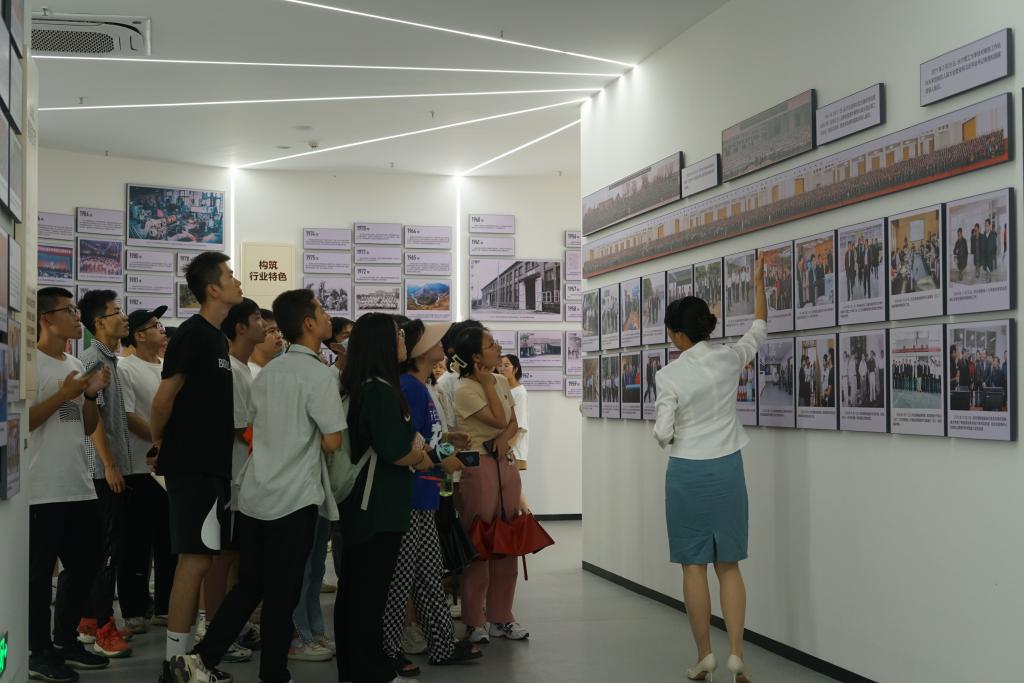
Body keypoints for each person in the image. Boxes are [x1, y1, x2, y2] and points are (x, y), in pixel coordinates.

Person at [172, 289, 345, 683]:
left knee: (250, 585)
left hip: (255, 494)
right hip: (294, 498)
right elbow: (333, 440)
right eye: (322, 311)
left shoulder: (268, 373)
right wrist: (306, 440)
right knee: (283, 593)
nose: (327, 316)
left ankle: (200, 659)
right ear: (308, 323)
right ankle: (272, 674)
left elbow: (252, 429)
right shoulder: (318, 374)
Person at [652, 255, 767, 683]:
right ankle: (737, 654)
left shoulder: (669, 375)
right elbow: (758, 329)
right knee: (729, 565)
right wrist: (758, 284)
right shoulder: (729, 359)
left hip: (687, 474)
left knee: (693, 566)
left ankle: (705, 656)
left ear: (679, 334)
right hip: (728, 470)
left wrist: (668, 434)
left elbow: (663, 432)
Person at [152, 252, 242, 683]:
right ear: (212, 288)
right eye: (230, 275)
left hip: (212, 467)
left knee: (203, 560)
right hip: (192, 466)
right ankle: (176, 663)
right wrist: (160, 441)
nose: (237, 281)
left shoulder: (216, 339)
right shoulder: (192, 334)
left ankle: (186, 660)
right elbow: (163, 399)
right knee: (195, 561)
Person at [336, 313, 432, 683]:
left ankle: (356, 667)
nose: (404, 340)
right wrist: (420, 458)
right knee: (368, 595)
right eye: (398, 335)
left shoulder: (366, 385)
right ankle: (370, 669)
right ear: (382, 343)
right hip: (375, 505)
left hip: (372, 504)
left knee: (357, 591)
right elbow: (395, 451)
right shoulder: (378, 390)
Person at [382, 319, 481, 677]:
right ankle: (388, 649)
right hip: (412, 494)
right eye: (436, 342)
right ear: (420, 351)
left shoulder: (420, 386)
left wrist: (448, 442)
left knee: (426, 573)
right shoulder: (410, 387)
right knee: (403, 578)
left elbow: (425, 439)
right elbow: (407, 445)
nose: (444, 346)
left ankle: (441, 644)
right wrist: (443, 456)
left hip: (424, 492)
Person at [28, 288, 113, 682]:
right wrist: (64, 393)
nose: (78, 317)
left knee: (86, 565)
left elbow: (86, 427)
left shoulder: (76, 363)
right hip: (40, 488)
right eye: (69, 310)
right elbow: (22, 423)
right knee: (38, 576)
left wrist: (90, 395)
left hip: (78, 484)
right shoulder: (27, 363)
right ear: (46, 318)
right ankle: (37, 650)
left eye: (77, 309)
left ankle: (64, 640)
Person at [453, 328, 529, 644]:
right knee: (479, 541)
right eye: (490, 344)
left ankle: (502, 616)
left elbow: (511, 423)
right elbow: (498, 419)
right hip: (478, 467)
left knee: (507, 539)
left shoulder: (500, 380)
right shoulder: (466, 388)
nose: (498, 348)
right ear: (475, 356)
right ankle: (475, 620)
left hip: (504, 464)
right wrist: (486, 383)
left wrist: (503, 440)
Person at [75, 289, 136, 657]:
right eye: (117, 311)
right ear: (99, 322)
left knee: (105, 549)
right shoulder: (92, 360)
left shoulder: (108, 359)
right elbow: (92, 415)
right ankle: (103, 628)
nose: (124, 317)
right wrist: (110, 464)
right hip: (100, 472)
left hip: (108, 468)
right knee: (106, 553)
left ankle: (88, 620)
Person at [214, 298, 268, 662]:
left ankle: (232, 625)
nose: (264, 325)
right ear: (240, 328)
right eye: (258, 318)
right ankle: (214, 626)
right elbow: (239, 429)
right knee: (223, 557)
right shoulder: (232, 370)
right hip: (233, 476)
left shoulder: (247, 369)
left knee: (237, 558)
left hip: (246, 477)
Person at [117, 306, 177, 630]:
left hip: (169, 470)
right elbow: (128, 415)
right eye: (155, 325)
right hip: (138, 469)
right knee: (136, 543)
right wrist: (159, 439)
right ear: (139, 335)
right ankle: (134, 608)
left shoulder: (168, 368)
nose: (161, 329)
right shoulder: (125, 369)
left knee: (169, 542)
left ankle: (166, 605)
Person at [499, 354, 529, 470]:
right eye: (500, 365)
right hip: (502, 442)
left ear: (515, 369)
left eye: (506, 365)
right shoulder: (501, 388)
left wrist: (509, 445)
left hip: (513, 446)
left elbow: (520, 423)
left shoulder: (520, 392)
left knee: (511, 479)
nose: (502, 369)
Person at [247, 308, 283, 378]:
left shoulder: (271, 372)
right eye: (271, 331)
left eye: (278, 331)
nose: (278, 335)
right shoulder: (250, 374)